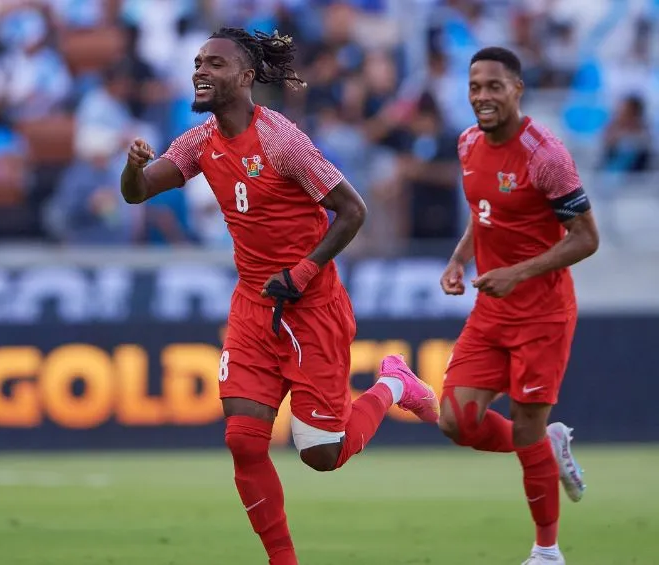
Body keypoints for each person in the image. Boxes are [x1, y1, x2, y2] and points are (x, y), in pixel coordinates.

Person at [120, 27, 440, 565]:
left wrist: (303, 270)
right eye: (198, 61)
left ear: (245, 77)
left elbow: (353, 210)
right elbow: (139, 193)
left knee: (322, 454)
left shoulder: (281, 141)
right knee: (244, 441)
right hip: (253, 306)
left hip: (311, 306)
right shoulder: (199, 142)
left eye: (214, 64)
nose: (200, 70)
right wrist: (131, 168)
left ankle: (391, 382)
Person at [439, 47, 599, 565]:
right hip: (492, 309)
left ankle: (547, 551)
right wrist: (460, 259)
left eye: (493, 87)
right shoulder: (467, 143)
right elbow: (484, 214)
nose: (482, 97)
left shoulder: (545, 154)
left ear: (517, 89)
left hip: (542, 314)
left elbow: (586, 238)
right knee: (456, 420)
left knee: (526, 424)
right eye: (475, 87)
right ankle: (545, 448)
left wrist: (519, 272)